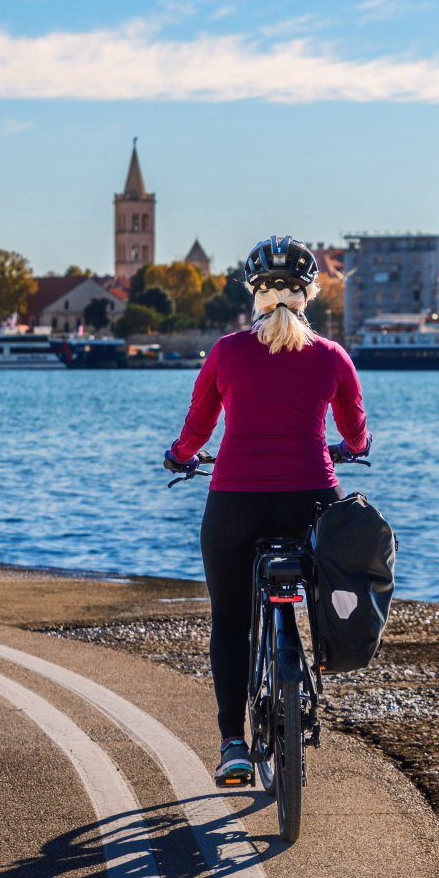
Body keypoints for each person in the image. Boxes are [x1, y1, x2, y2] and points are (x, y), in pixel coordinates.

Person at [163, 236, 371, 786]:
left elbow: (198, 427)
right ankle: (314, 659)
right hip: (312, 503)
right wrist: (352, 448)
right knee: (325, 588)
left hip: (236, 504)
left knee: (231, 621)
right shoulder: (331, 355)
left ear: (253, 293)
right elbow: (356, 430)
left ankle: (233, 743)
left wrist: (179, 457)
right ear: (310, 294)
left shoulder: (228, 351)